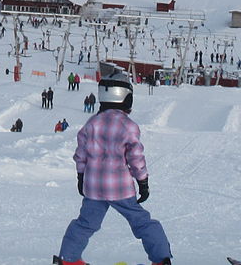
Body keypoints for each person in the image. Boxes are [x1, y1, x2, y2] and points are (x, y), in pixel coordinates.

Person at [54, 64, 172, 265]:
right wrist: (142, 181)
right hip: (120, 188)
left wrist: (81, 176)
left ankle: (68, 259)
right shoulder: (128, 125)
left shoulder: (91, 123)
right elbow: (136, 158)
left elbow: (80, 153)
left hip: (94, 187)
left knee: (85, 223)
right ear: (126, 98)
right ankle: (161, 259)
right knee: (142, 222)